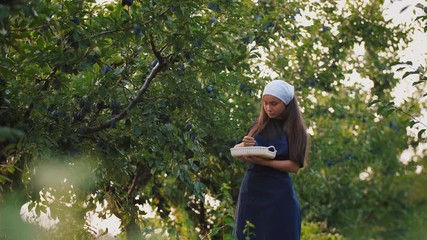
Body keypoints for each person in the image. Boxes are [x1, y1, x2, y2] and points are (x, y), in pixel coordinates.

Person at [232, 80, 309, 240]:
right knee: (248, 234)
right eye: (265, 103)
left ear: (286, 103)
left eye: (274, 104)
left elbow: (294, 166)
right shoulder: (259, 125)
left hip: (279, 195)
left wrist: (265, 162)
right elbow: (237, 150)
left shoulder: (296, 129)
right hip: (252, 192)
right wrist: (245, 145)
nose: (268, 108)